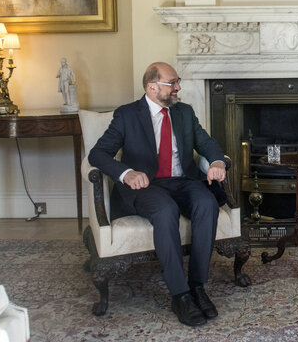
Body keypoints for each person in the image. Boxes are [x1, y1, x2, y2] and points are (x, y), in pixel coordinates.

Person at [88, 62, 227, 327]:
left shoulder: (184, 112)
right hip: (146, 186)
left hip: (182, 180)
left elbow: (206, 142)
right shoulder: (127, 115)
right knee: (165, 211)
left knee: (207, 203)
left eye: (178, 81)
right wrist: (126, 172)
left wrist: (217, 162)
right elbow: (98, 154)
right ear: (152, 88)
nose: (178, 88)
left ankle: (197, 286)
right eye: (172, 83)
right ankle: (180, 295)